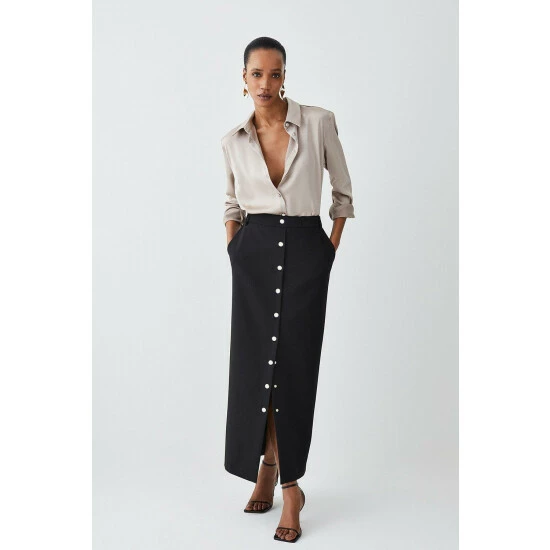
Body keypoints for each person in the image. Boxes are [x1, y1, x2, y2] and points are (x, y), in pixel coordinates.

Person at [221, 36, 355, 543]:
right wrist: (235, 248)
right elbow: (231, 203)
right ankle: (268, 467)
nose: (265, 83)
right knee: (255, 368)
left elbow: (342, 193)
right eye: (256, 73)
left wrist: (326, 252)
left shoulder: (317, 122)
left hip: (304, 252)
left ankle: (290, 486)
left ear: (284, 77)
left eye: (274, 73)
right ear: (243, 78)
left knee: (293, 369)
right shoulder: (232, 141)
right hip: (253, 257)